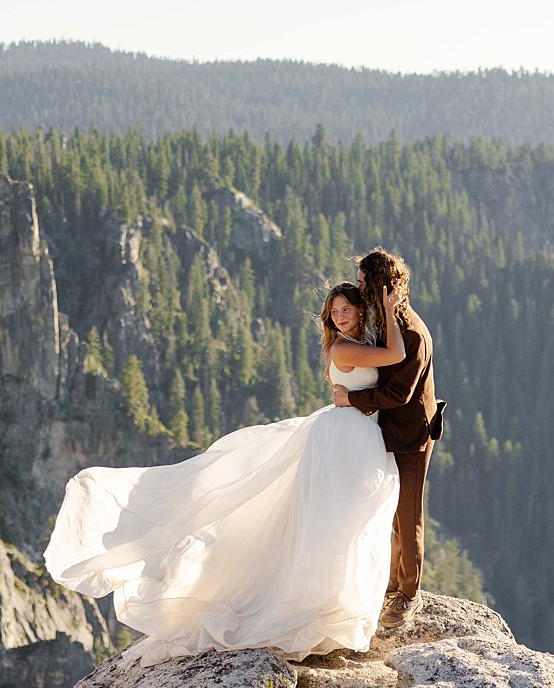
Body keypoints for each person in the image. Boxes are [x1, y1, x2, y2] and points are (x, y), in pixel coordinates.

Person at [44, 282, 407, 665]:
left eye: (346, 308)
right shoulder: (344, 347)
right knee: (338, 525)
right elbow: (397, 354)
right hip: (345, 441)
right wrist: (390, 307)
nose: (339, 315)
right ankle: (323, 612)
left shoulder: (360, 342)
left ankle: (336, 608)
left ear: (358, 310)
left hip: (355, 437)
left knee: (350, 524)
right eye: (334, 311)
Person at [330, 247, 440, 631]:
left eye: (363, 281)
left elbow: (399, 395)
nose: (358, 287)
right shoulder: (389, 321)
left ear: (380, 284)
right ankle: (392, 582)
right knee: (390, 513)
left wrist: (350, 398)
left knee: (407, 516)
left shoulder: (409, 333)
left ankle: (409, 594)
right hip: (388, 433)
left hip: (410, 436)